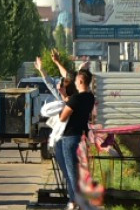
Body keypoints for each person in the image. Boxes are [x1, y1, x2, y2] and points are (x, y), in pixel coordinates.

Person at [56, 68, 96, 210]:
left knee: (72, 174)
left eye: (76, 80)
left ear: (80, 80)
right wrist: (64, 96)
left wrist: (62, 106)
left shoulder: (76, 98)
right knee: (75, 171)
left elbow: (63, 116)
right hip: (79, 136)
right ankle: (74, 201)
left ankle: (80, 202)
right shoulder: (90, 98)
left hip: (69, 138)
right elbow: (73, 105)